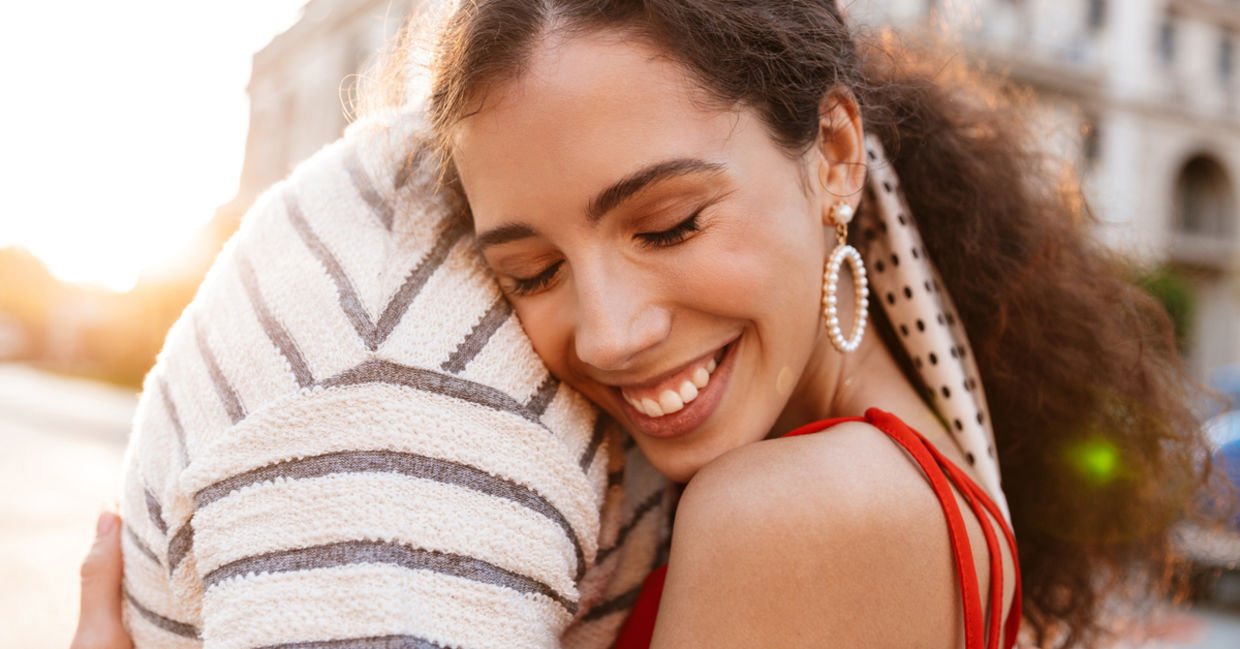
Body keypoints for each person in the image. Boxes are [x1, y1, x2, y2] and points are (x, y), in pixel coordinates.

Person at [73, 1, 1210, 648]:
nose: (608, 333)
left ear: (833, 156)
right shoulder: (893, 463)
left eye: (666, 224)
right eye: (530, 271)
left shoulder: (795, 514)